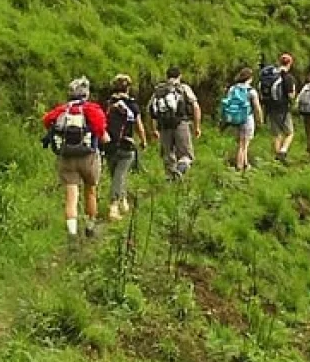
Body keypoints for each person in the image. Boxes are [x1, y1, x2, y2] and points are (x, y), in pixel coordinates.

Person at [43, 77, 110, 238]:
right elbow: (101, 130)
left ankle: (72, 232)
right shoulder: (92, 109)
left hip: (66, 157)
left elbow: (46, 121)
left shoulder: (61, 110)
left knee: (71, 196)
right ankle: (90, 225)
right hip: (88, 156)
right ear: (86, 94)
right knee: (90, 191)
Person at [103, 74, 147, 221]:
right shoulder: (132, 104)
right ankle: (114, 206)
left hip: (109, 145)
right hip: (126, 145)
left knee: (116, 175)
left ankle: (123, 202)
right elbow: (139, 125)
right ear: (128, 87)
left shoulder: (109, 103)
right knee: (120, 176)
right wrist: (143, 140)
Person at [149, 67, 202, 180]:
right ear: (180, 76)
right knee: (186, 156)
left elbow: (150, 110)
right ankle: (179, 171)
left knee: (168, 156)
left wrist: (154, 129)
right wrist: (197, 127)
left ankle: (170, 180)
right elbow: (196, 107)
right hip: (181, 124)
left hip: (164, 126)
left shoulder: (159, 90)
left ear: (166, 76)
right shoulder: (183, 88)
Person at [221, 67, 266, 172]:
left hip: (234, 118)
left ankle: (246, 165)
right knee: (243, 145)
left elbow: (228, 102)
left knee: (241, 142)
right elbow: (257, 107)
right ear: (250, 78)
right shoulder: (251, 91)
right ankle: (239, 168)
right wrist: (260, 119)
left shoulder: (233, 88)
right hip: (247, 118)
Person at [260, 53, 298, 162]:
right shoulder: (287, 77)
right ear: (290, 63)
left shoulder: (271, 75)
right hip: (282, 108)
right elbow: (291, 95)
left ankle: (277, 159)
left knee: (276, 134)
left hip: (270, 107)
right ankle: (283, 151)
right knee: (289, 133)